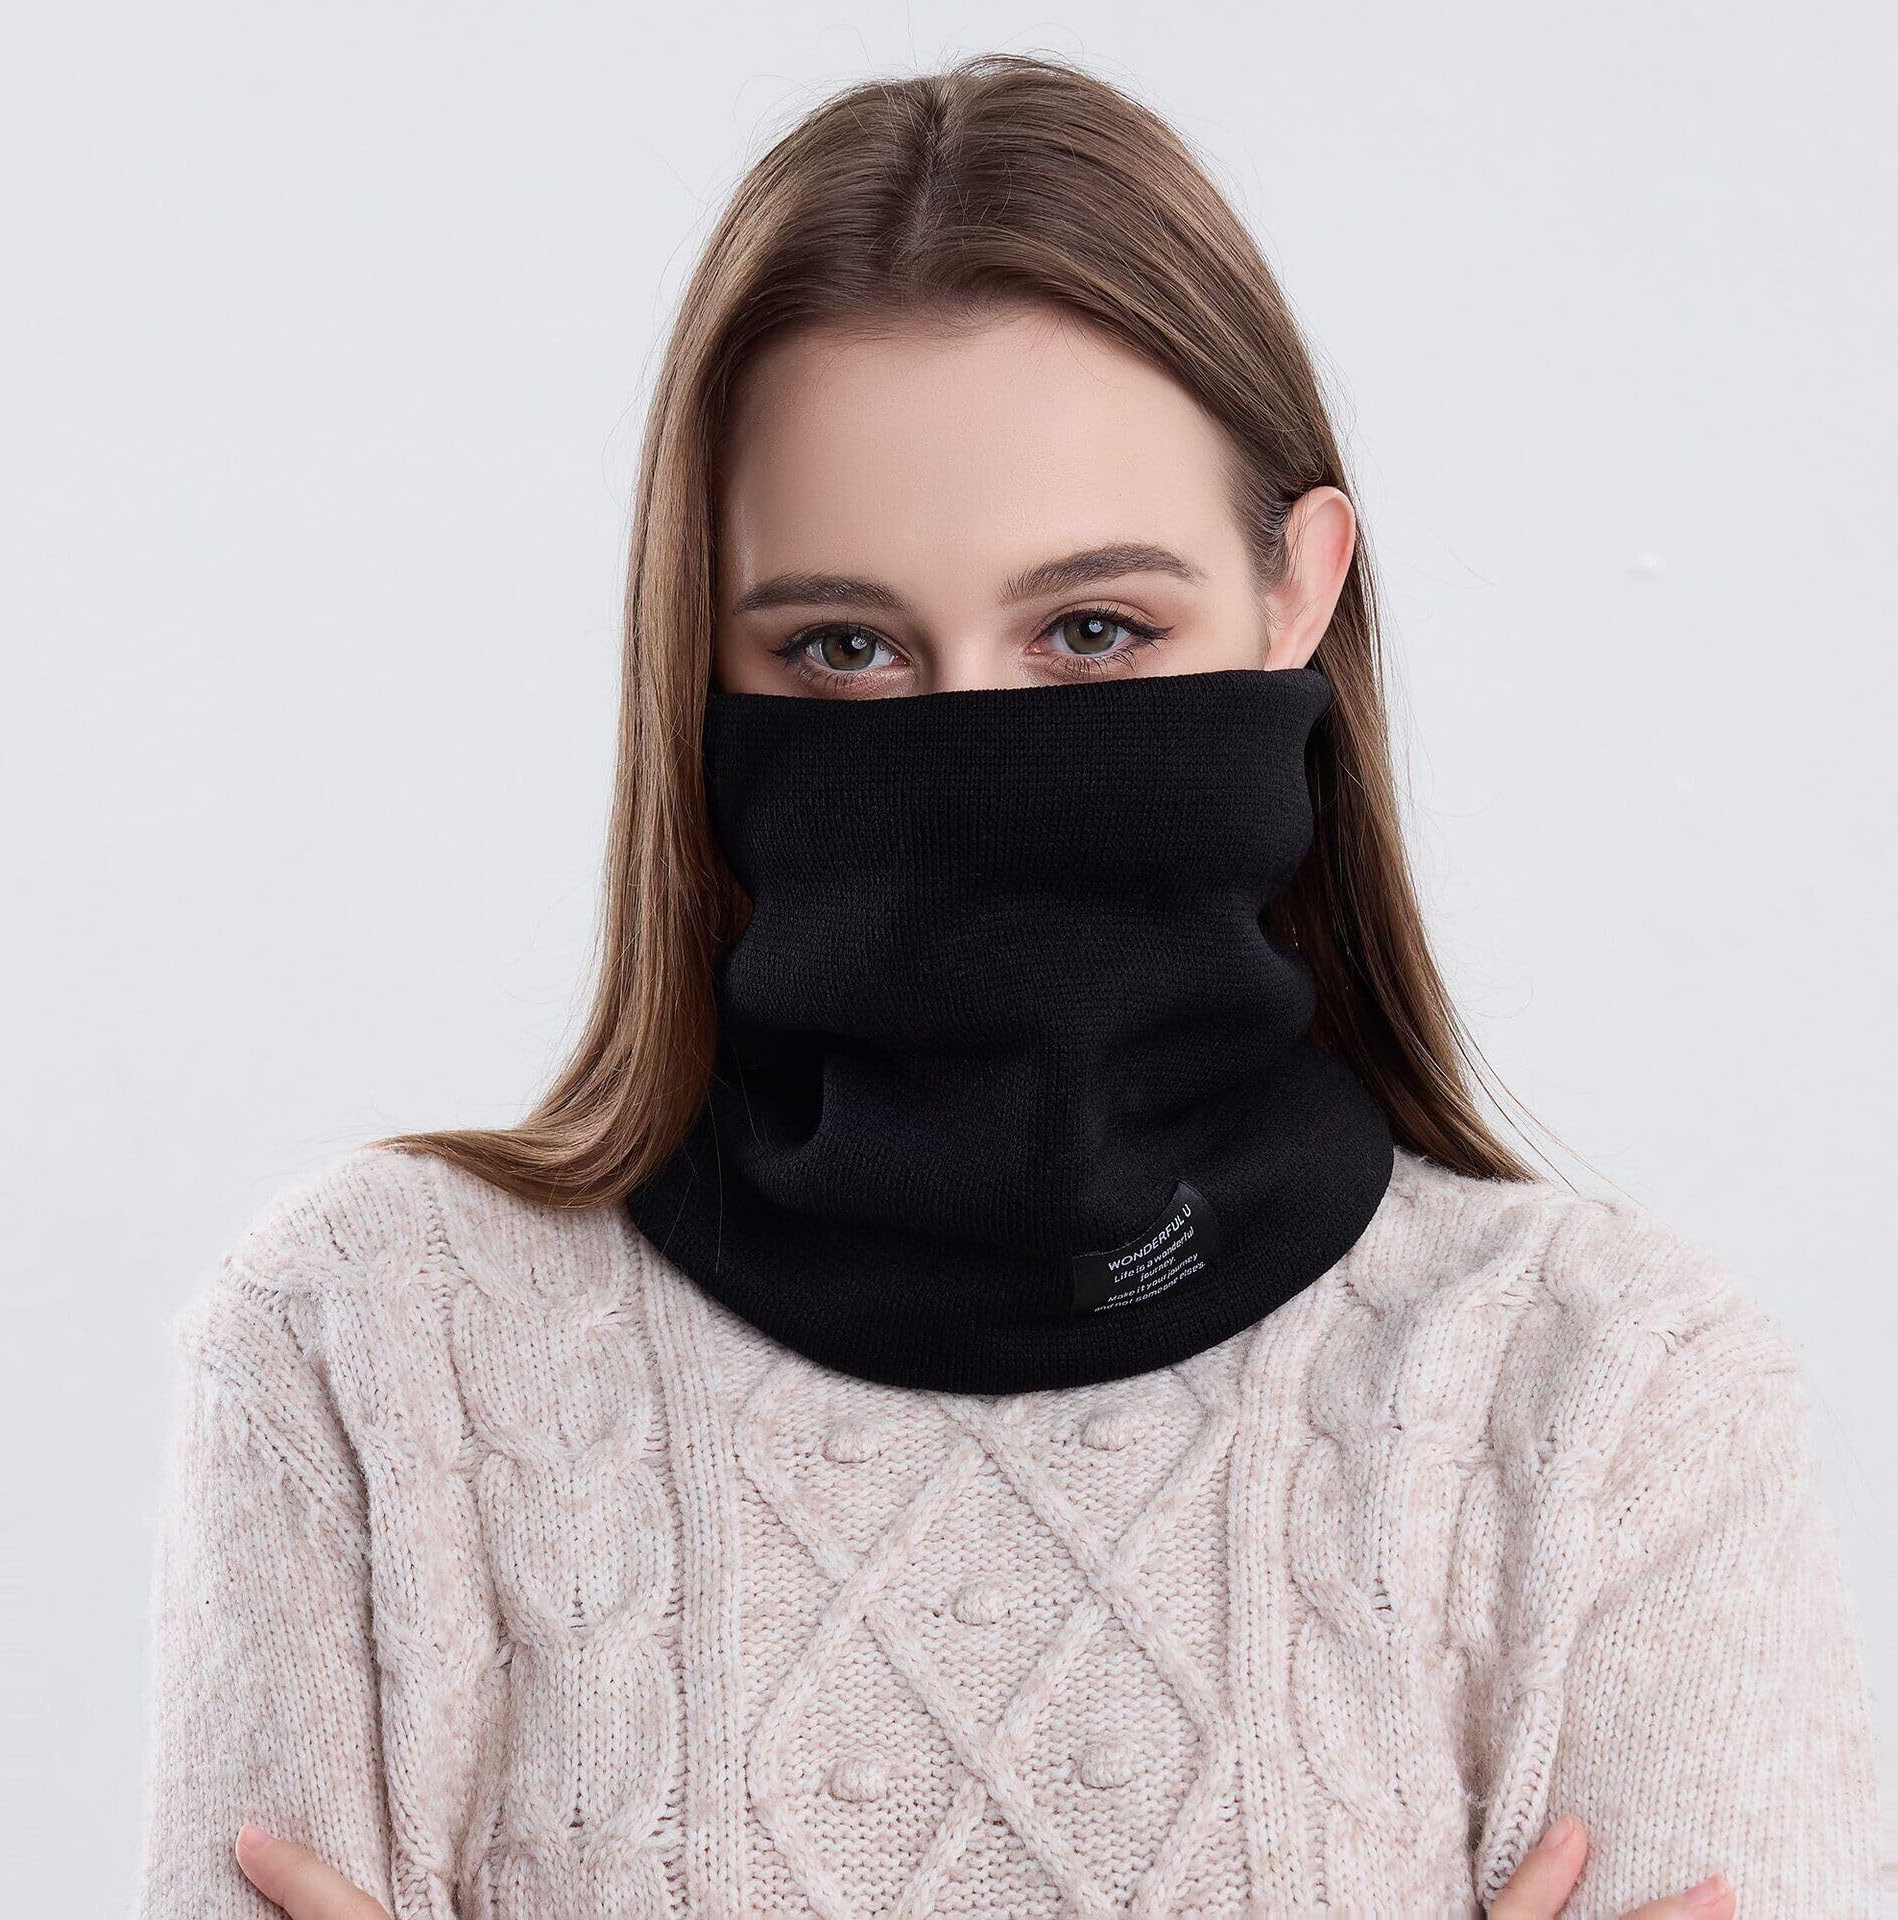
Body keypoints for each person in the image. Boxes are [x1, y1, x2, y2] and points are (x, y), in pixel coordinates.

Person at [130, 53, 1880, 1920]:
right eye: (843, 646)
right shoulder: (369, 1354)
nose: (970, 740)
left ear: (1299, 592)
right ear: (698, 652)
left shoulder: (1611, 1401)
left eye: (1095, 629)